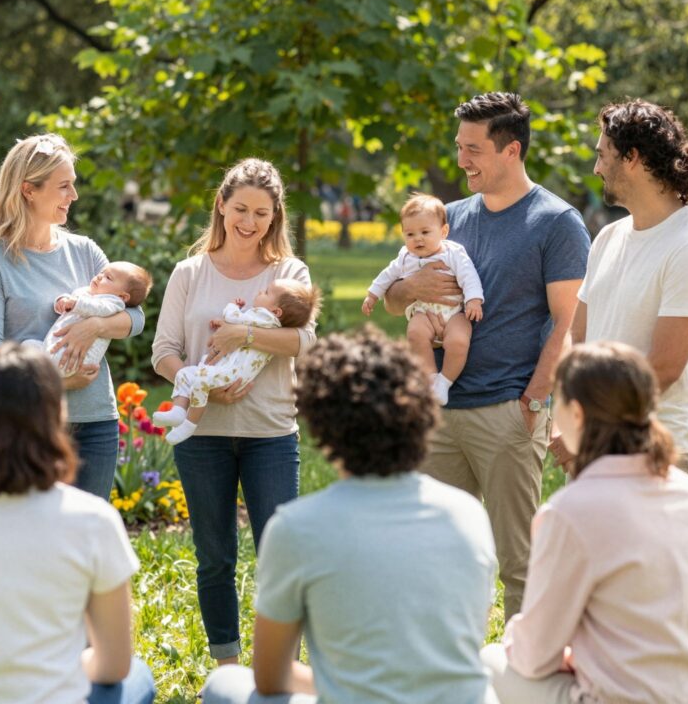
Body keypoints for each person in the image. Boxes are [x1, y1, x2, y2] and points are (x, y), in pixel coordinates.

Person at [202, 326, 498, 703]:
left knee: (222, 686)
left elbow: (270, 678)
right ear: (421, 416)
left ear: (322, 428)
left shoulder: (297, 527)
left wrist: (339, 684)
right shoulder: (468, 513)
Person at [383, 92, 590, 620]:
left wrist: (537, 396)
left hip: (507, 410)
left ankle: (528, 676)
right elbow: (392, 298)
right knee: (432, 553)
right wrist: (408, 289)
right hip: (440, 411)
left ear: (511, 150)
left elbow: (569, 320)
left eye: (473, 149)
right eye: (459, 146)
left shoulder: (556, 222)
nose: (461, 161)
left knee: (518, 560)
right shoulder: (446, 219)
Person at [0, 343, 156, 704]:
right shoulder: (92, 520)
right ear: (56, 416)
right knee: (139, 675)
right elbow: (114, 665)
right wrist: (71, 665)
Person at [482, 342, 688, 704]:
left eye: (556, 402)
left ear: (576, 414)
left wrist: (568, 653)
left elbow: (533, 656)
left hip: (621, 697)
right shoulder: (686, 492)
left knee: (490, 661)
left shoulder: (571, 511)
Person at [151, 158, 317, 664]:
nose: (249, 221)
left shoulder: (288, 273)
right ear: (221, 206)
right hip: (203, 437)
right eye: (240, 208)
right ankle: (227, 666)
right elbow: (164, 351)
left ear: (275, 216)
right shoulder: (189, 273)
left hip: (270, 433)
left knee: (279, 554)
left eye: (261, 213)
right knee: (215, 557)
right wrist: (198, 386)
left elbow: (305, 342)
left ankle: (281, 667)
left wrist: (243, 333)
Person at [0, 134, 145, 500]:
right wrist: (58, 382)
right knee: (34, 542)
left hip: (97, 419)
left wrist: (95, 326)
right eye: (64, 186)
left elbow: (136, 317)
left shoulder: (84, 251)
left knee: (85, 543)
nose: (74, 196)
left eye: (73, 185)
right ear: (29, 190)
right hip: (30, 422)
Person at [572, 99, 688, 486]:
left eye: (603, 155)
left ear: (632, 158)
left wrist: (591, 425)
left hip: (662, 455)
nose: (597, 168)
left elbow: (664, 368)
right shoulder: (607, 237)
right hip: (596, 444)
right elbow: (579, 340)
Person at [154, 279, 322, 445]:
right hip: (231, 371)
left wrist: (233, 307)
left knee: (199, 381)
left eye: (266, 292)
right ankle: (178, 410)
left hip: (233, 375)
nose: (260, 292)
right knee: (184, 374)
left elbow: (233, 319)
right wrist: (226, 326)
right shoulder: (266, 323)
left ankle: (189, 424)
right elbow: (237, 328)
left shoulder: (265, 317)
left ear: (276, 311)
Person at [362, 194, 484, 404]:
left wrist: (474, 299)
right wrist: (373, 294)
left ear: (443, 232)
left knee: (459, 340)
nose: (418, 239)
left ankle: (444, 381)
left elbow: (468, 275)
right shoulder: (405, 257)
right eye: (410, 234)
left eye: (425, 232)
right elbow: (387, 275)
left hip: (454, 311)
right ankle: (430, 379)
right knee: (415, 334)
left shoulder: (453, 252)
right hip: (423, 312)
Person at [25, 260, 152, 376]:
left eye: (108, 277)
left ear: (122, 297)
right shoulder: (88, 292)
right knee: (28, 345)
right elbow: (74, 298)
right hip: (52, 346)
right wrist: (62, 301)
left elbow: (99, 308)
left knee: (48, 366)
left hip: (74, 358)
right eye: (102, 272)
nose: (100, 276)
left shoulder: (113, 302)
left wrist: (76, 303)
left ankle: (41, 379)